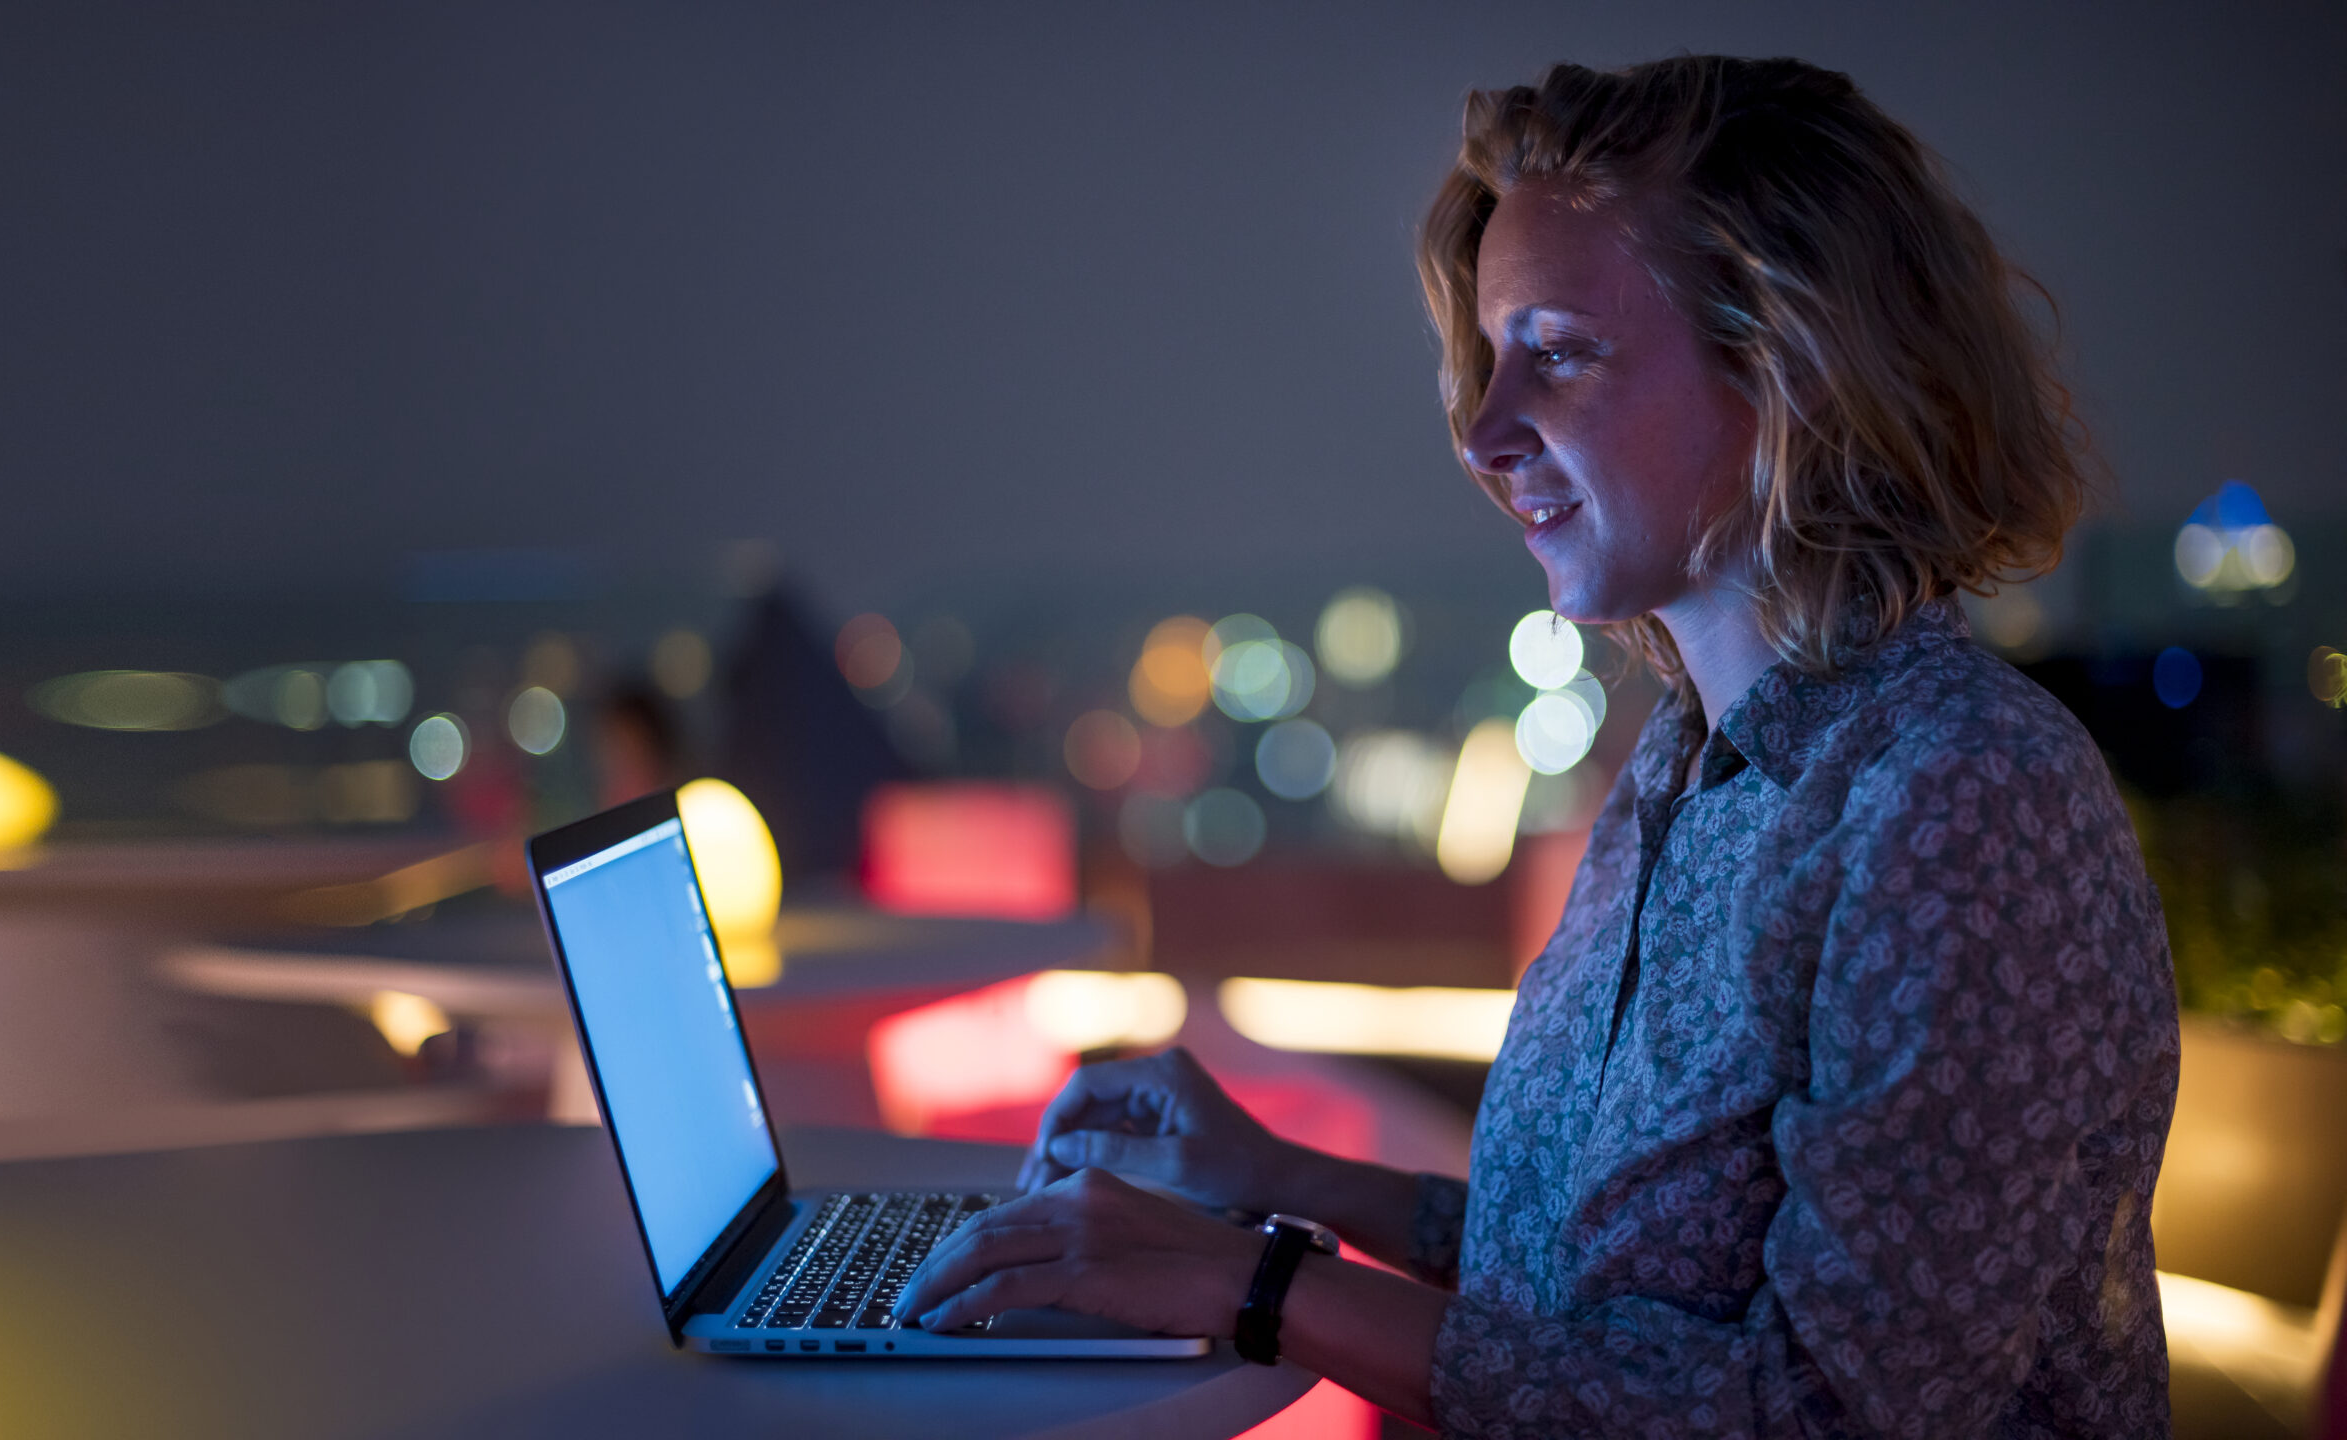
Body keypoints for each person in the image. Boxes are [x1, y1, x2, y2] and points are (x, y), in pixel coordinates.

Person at [893, 55, 2179, 1437]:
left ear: (1793, 373)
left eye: (1557, 352)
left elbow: (1822, 1415)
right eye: (1489, 359)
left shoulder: (1963, 801)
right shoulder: (1685, 766)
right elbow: (1602, 1292)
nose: (1481, 432)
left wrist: (1253, 1283)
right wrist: (1289, 1178)